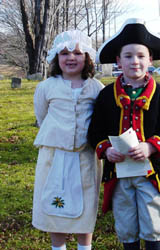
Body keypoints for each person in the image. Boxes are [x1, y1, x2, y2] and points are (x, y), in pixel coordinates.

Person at [88, 18, 160, 250]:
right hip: (118, 174)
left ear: (150, 60)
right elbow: (95, 132)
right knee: (125, 223)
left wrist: (151, 147)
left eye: (141, 56)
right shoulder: (106, 96)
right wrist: (106, 150)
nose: (135, 61)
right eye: (128, 56)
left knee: (152, 222)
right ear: (118, 60)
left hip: (151, 174)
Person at [32, 29, 104, 250]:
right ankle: (58, 246)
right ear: (56, 58)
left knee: (85, 204)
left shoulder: (96, 88)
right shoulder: (46, 87)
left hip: (85, 157)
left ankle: (85, 246)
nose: (70, 58)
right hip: (54, 156)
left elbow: (101, 119)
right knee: (55, 206)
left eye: (77, 53)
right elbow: (42, 116)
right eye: (64, 53)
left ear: (87, 58)